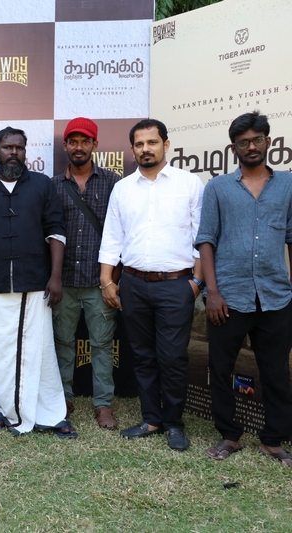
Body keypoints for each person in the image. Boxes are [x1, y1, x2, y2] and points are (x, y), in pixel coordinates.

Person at [0, 126, 76, 438]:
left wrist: (55, 277)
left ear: (25, 151)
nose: (13, 152)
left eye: (19, 148)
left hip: (35, 282)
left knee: (40, 351)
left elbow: (56, 231)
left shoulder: (42, 185)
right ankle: (5, 409)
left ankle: (51, 413)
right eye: (7, 147)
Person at [99, 118, 203, 451]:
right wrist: (106, 280)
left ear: (166, 145)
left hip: (176, 285)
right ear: (132, 149)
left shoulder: (189, 184)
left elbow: (202, 237)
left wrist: (197, 282)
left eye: (152, 142)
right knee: (142, 356)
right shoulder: (123, 188)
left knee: (172, 358)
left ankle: (173, 424)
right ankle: (151, 419)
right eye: (140, 144)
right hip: (133, 283)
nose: (146, 149)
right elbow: (112, 237)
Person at [196, 111, 292, 467]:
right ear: (233, 148)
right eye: (243, 142)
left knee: (277, 372)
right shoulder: (217, 188)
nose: (251, 147)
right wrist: (212, 293)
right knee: (221, 369)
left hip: (276, 296)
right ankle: (229, 435)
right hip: (228, 297)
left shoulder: (287, 185)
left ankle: (273, 440)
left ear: (268, 142)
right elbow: (206, 240)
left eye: (257, 140)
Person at [51, 117, 121, 429]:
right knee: (62, 342)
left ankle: (103, 404)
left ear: (95, 145)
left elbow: (121, 233)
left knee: (102, 345)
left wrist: (113, 279)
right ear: (65, 145)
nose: (79, 147)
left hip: (99, 281)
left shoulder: (113, 183)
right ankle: (63, 398)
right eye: (73, 142)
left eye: (85, 141)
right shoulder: (53, 186)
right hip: (64, 281)